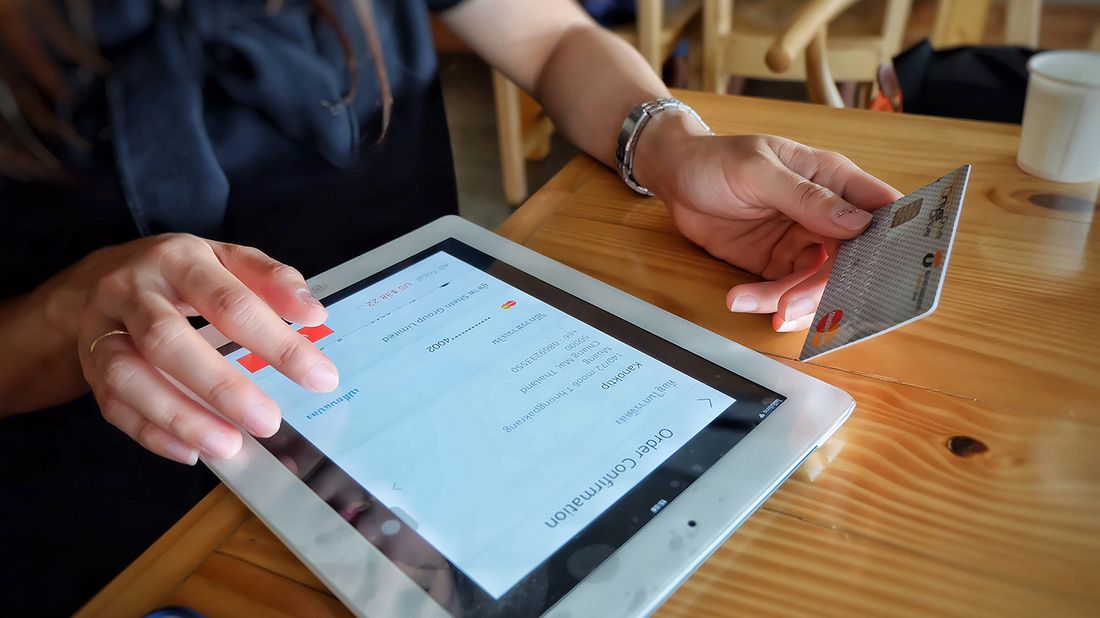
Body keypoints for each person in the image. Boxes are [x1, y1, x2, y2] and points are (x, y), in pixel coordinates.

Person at [0, 0, 902, 614]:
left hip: (451, 359)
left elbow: (549, 36)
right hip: (126, 478)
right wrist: (79, 307)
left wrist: (665, 144)